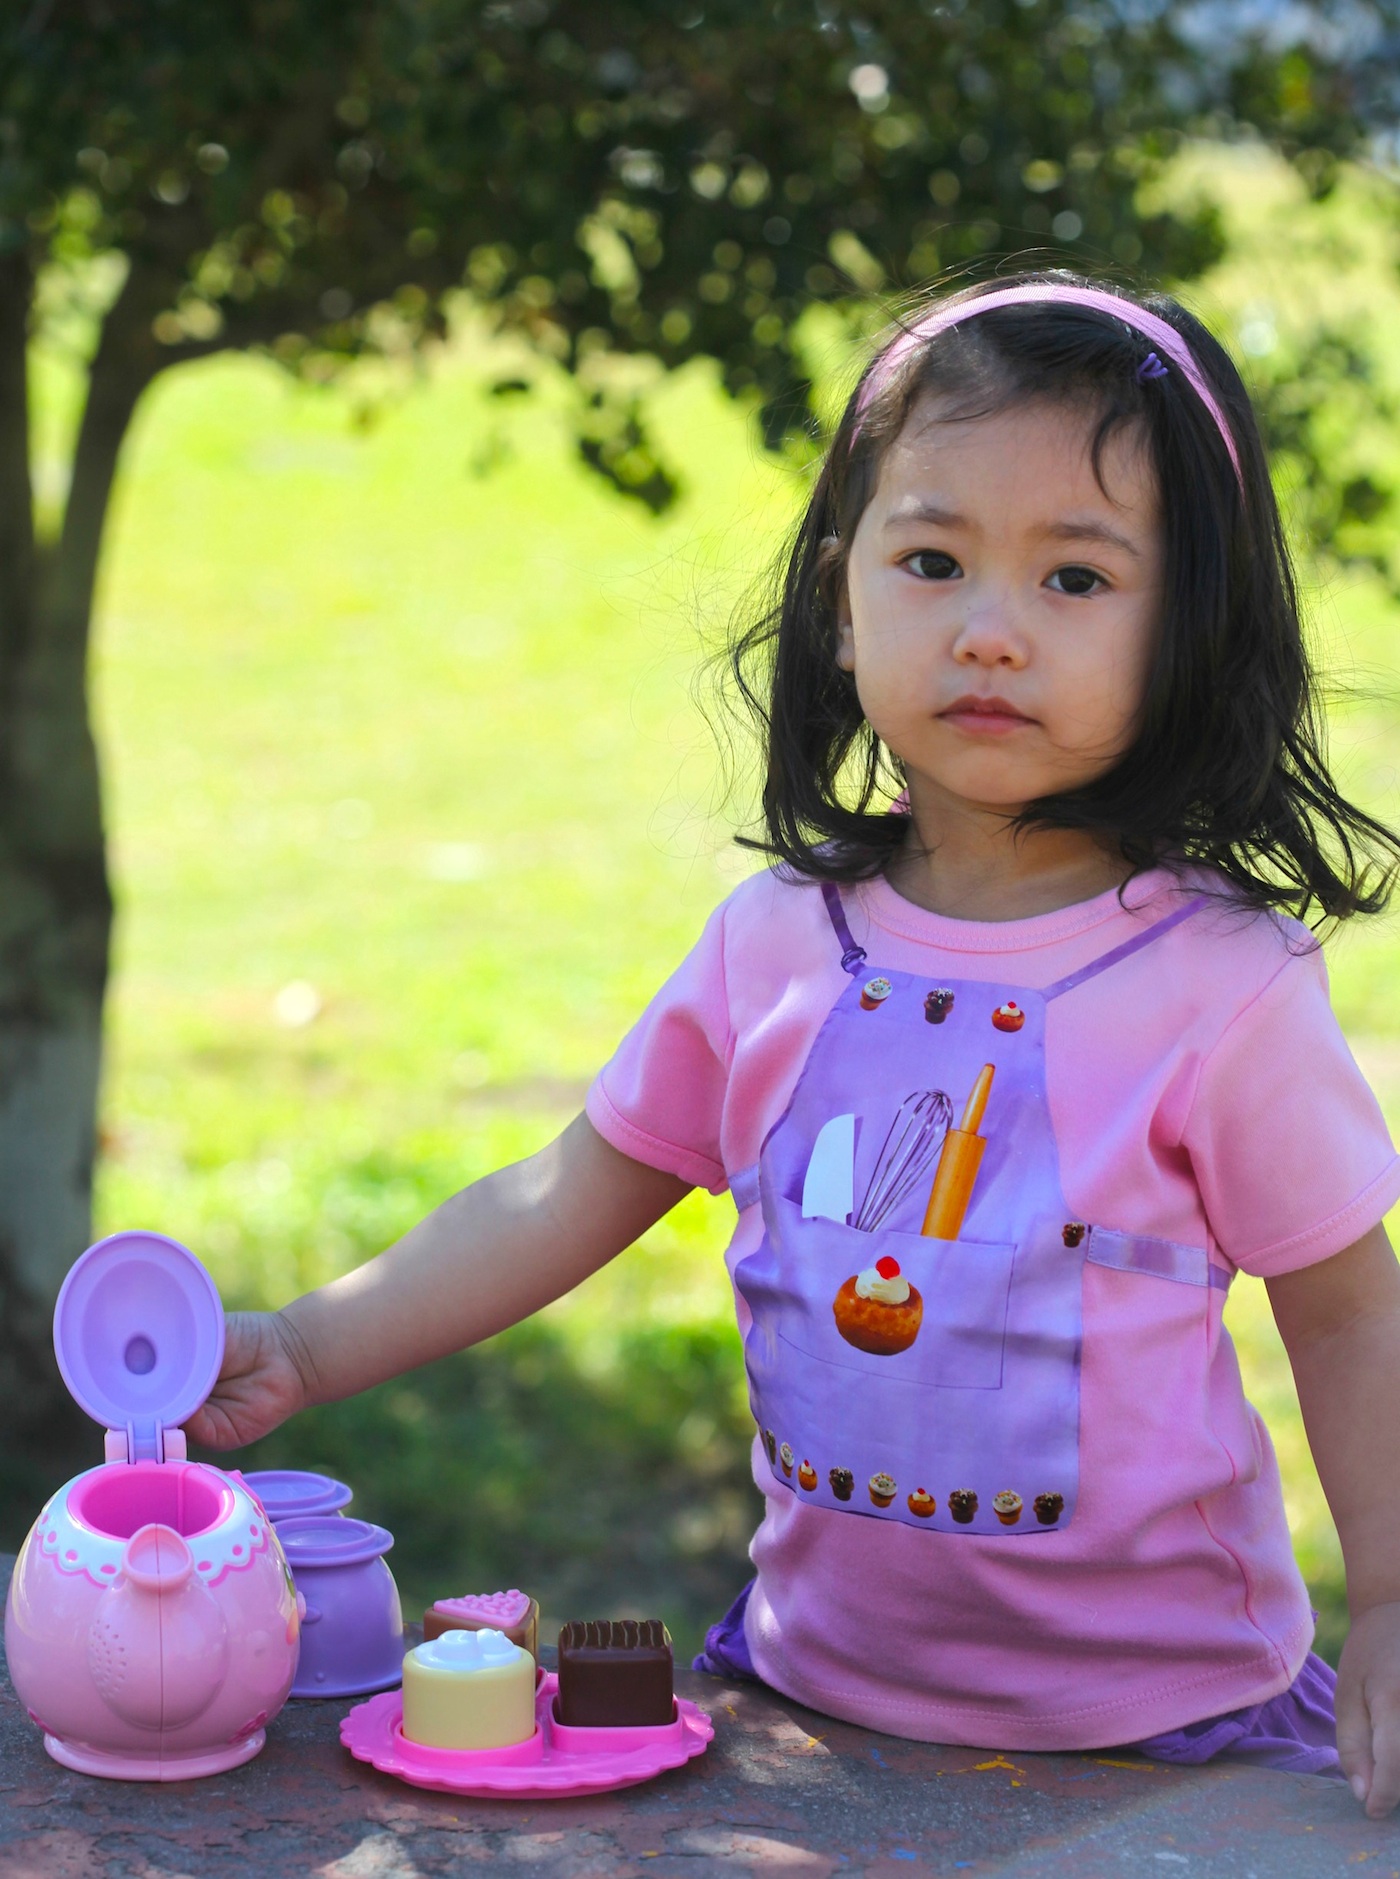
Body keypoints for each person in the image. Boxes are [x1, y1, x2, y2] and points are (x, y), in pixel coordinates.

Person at [188, 272, 1400, 1815]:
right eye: (933, 561)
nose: (990, 632)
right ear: (841, 598)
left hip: (1164, 1741)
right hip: (810, 1711)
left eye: (1076, 579)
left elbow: (1349, 1318)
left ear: (1191, 630)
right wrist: (303, 1350)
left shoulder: (1220, 984)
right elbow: (561, 1198)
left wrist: (1393, 1600)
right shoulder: (774, 944)